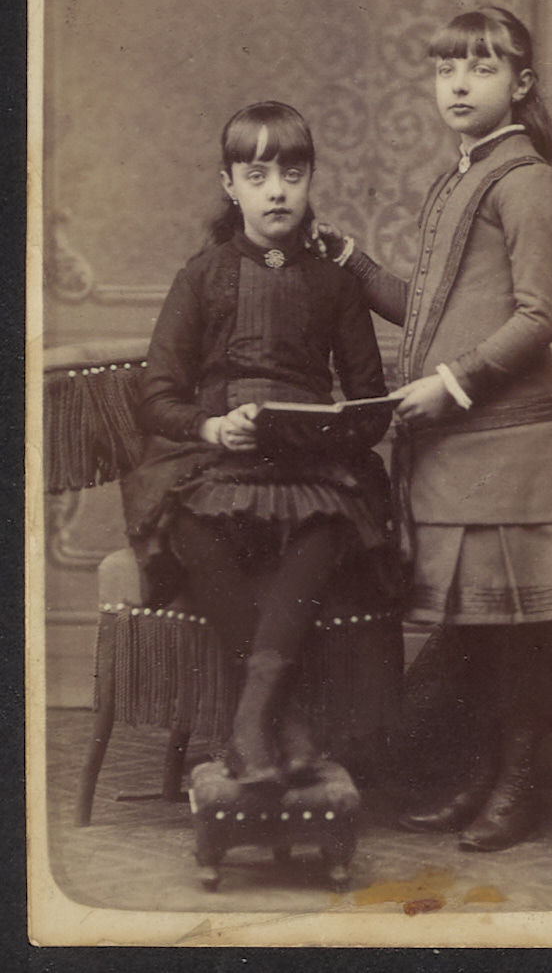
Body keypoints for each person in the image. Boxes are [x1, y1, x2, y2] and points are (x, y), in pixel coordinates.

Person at [313, 7, 552, 850]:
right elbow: (427, 310)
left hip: (515, 450)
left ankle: (516, 787)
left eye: (481, 68)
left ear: (519, 85)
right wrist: (352, 261)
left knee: (513, 638)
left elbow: (538, 317)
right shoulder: (460, 177)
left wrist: (450, 385)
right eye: (446, 67)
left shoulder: (524, 178)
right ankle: (482, 776)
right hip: (463, 451)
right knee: (483, 633)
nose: (457, 83)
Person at [121, 101, 396, 793]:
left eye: (292, 175)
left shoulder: (335, 282)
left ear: (310, 180)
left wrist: (324, 426)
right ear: (230, 184)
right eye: (257, 175)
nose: (277, 191)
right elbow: (156, 395)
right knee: (189, 520)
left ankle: (250, 722)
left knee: (326, 524)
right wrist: (212, 427)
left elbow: (369, 406)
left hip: (309, 472)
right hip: (217, 463)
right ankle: (284, 720)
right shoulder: (202, 275)